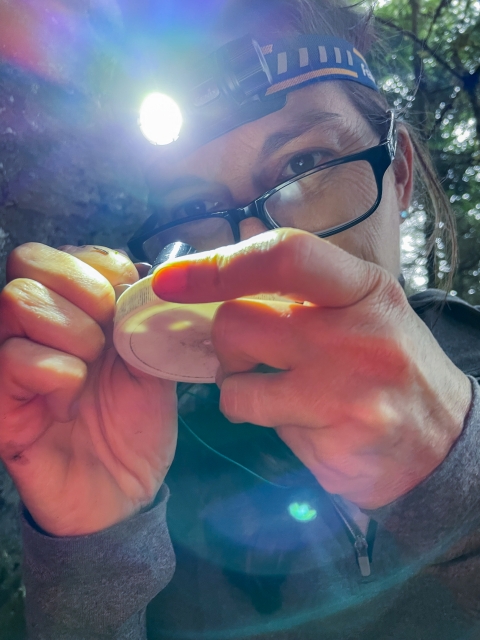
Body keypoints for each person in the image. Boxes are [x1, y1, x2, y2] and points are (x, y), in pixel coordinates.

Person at [1, 0, 480, 638]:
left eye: (304, 165)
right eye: (198, 204)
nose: (258, 241)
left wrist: (457, 475)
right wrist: (93, 553)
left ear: (398, 173)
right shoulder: (160, 468)